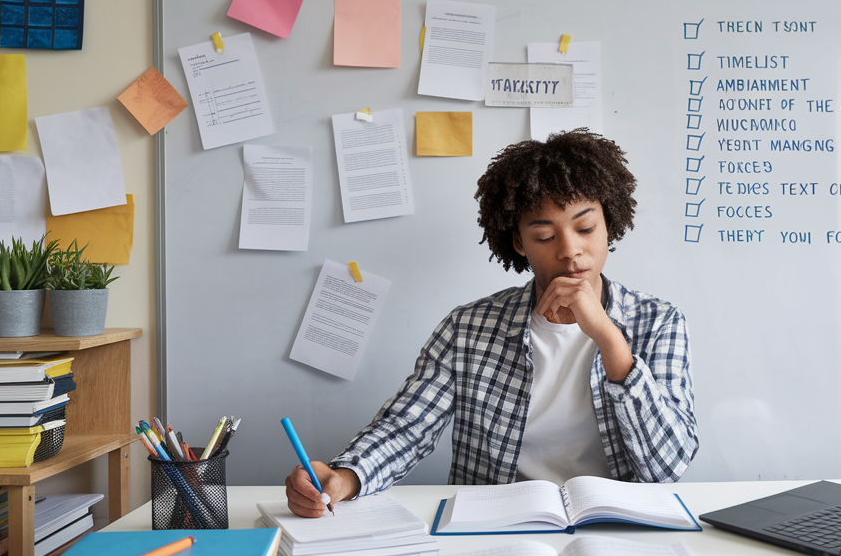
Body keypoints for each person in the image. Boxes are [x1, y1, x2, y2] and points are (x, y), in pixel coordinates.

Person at [285, 129, 696, 517]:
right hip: (498, 524)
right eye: (544, 236)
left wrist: (609, 339)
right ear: (519, 243)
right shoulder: (468, 328)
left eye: (586, 227)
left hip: (615, 525)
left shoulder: (658, 323)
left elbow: (667, 467)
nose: (571, 251)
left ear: (609, 224)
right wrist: (344, 478)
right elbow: (406, 428)